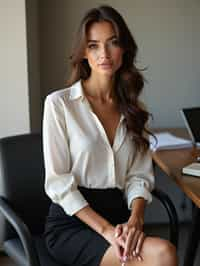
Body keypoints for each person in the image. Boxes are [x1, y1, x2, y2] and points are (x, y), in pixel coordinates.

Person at [43, 5, 178, 266]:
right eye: (93, 45)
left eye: (112, 43)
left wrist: (136, 220)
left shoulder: (133, 110)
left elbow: (139, 176)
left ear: (124, 49)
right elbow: (58, 183)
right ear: (83, 52)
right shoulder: (59, 105)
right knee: (163, 254)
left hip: (120, 218)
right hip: (74, 223)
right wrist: (106, 230)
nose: (104, 54)